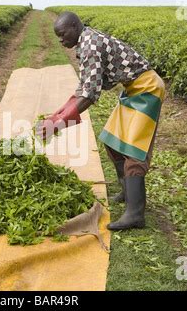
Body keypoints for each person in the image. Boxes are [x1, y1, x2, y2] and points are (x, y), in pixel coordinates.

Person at [37, 12, 166, 231]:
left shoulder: (91, 46)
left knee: (135, 150)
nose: (60, 40)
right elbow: (83, 88)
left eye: (62, 34)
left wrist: (58, 124)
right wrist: (56, 116)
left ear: (75, 26)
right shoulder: (85, 41)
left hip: (147, 89)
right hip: (133, 89)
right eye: (57, 36)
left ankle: (135, 215)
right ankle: (127, 192)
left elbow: (89, 96)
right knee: (112, 140)